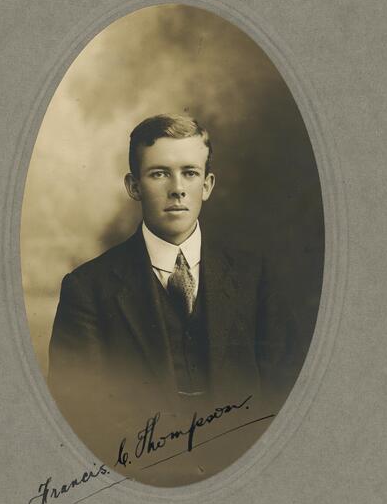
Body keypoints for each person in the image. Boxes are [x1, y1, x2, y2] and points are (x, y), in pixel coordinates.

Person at [48, 114, 297, 484]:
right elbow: (80, 412)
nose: (177, 189)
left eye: (190, 173)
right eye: (159, 173)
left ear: (207, 185)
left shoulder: (255, 279)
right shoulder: (88, 289)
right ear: (134, 186)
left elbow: (286, 395)